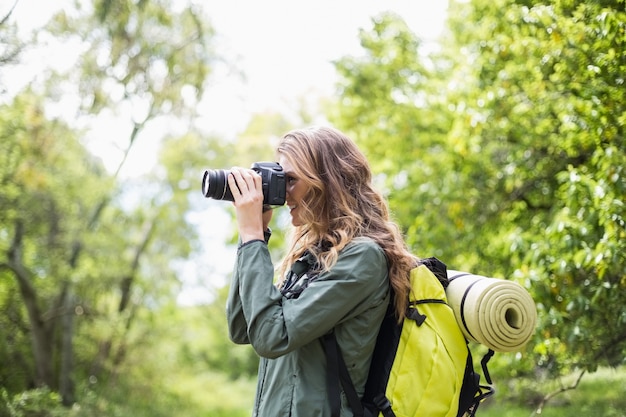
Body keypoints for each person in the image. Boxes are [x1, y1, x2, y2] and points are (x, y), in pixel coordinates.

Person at [226, 126, 416, 417]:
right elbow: (242, 327)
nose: (282, 193)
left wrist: (252, 236)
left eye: (290, 180)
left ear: (327, 182)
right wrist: (256, 235)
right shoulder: (311, 259)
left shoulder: (362, 258)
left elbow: (272, 336)